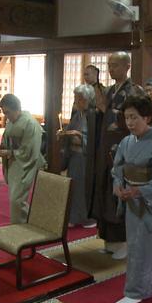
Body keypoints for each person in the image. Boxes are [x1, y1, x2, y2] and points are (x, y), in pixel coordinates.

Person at [112, 95, 152, 303]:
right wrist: (118, 185)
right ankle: (147, 285)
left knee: (147, 246)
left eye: (134, 117)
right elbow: (118, 168)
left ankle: (141, 290)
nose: (129, 122)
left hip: (148, 202)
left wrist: (140, 191)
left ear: (147, 117)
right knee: (136, 245)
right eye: (127, 117)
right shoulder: (126, 141)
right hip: (131, 200)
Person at [90, 52, 144, 260]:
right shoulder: (112, 89)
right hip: (107, 148)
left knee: (120, 194)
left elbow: (136, 122)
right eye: (109, 65)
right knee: (106, 192)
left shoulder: (134, 91)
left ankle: (124, 242)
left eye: (115, 65)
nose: (111, 69)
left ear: (127, 66)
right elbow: (104, 112)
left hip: (123, 149)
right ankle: (109, 240)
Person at [0, 94, 45, 223]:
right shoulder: (11, 121)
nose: (7, 116)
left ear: (17, 108)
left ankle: (25, 224)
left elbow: (30, 150)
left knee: (16, 199)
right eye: (4, 113)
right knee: (15, 198)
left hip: (26, 163)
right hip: (14, 163)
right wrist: (1, 147)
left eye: (8, 112)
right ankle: (24, 223)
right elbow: (7, 139)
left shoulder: (30, 123)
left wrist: (9, 152)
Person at [59, 85, 97, 228]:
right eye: (76, 98)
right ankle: (74, 217)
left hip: (85, 158)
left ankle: (86, 218)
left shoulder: (93, 116)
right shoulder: (77, 115)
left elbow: (94, 139)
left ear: (87, 100)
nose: (76, 101)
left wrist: (79, 136)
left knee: (83, 189)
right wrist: (65, 134)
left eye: (79, 99)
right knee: (73, 188)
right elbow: (70, 131)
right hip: (74, 156)